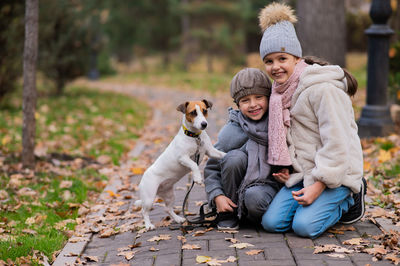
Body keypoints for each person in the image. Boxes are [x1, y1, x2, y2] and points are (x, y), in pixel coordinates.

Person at [257, 2, 366, 239]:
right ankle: (314, 203)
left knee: (304, 227)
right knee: (272, 223)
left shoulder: (323, 90)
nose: (275, 67)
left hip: (336, 174)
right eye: (269, 61)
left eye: (282, 58)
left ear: (296, 58)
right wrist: (288, 169)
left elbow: (339, 143)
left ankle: (351, 198)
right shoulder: (279, 94)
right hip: (304, 172)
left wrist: (319, 185)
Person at [204, 68, 287, 230]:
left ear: (269, 98)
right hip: (235, 190)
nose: (253, 104)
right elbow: (212, 168)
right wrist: (217, 195)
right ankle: (229, 213)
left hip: (267, 188)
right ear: (237, 103)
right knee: (234, 158)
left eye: (259, 97)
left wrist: (287, 172)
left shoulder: (279, 123)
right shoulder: (231, 131)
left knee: (254, 197)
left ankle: (255, 215)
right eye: (245, 100)